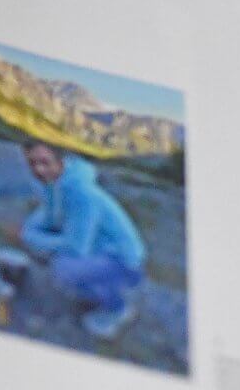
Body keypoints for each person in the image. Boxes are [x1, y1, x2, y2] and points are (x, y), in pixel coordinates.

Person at [18, 141, 147, 340]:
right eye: (32, 163)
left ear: (61, 161)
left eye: (45, 162)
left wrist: (30, 238)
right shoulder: (56, 185)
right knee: (48, 252)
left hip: (123, 260)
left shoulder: (81, 193)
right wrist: (30, 232)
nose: (38, 170)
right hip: (99, 249)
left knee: (63, 269)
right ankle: (100, 287)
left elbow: (75, 247)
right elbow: (48, 218)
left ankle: (118, 307)